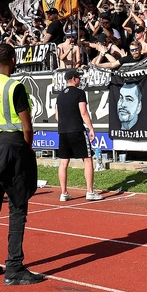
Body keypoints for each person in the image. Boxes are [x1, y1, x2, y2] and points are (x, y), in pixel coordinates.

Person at [0, 43, 43, 286]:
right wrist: (27, 148)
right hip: (14, 144)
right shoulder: (15, 86)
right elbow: (27, 126)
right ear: (14, 60)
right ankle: (14, 266)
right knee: (17, 206)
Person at [55, 68, 102, 202]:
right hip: (76, 130)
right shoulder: (79, 93)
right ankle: (90, 191)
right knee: (87, 159)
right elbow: (84, 112)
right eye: (79, 78)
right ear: (74, 79)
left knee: (63, 162)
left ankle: (64, 193)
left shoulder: (60, 95)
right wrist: (91, 128)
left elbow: (57, 116)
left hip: (63, 131)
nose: (80, 80)